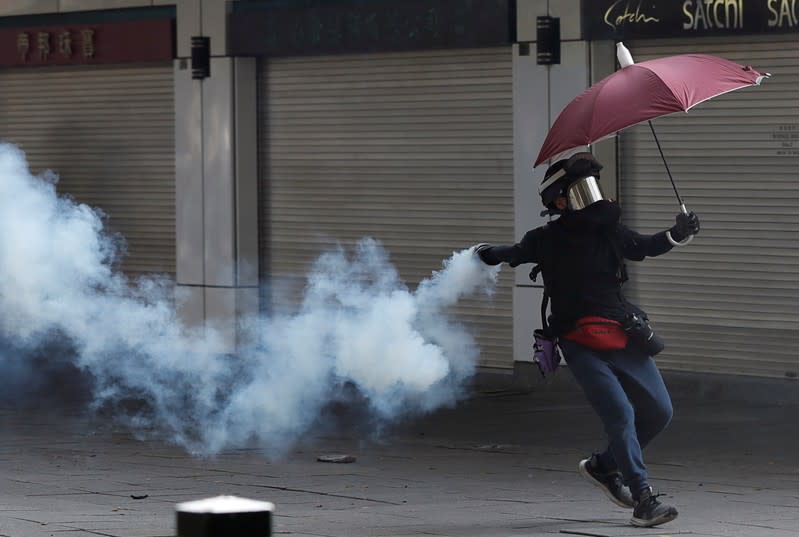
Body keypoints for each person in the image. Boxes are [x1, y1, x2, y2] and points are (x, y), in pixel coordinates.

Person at [473, 152, 700, 528]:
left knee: (660, 412)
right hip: (579, 341)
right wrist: (483, 253)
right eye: (581, 191)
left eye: (594, 187)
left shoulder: (609, 232)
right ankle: (643, 499)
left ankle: (603, 467)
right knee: (621, 413)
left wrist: (678, 233)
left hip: (623, 332)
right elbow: (513, 253)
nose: (593, 198)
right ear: (560, 201)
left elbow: (644, 246)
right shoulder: (545, 239)